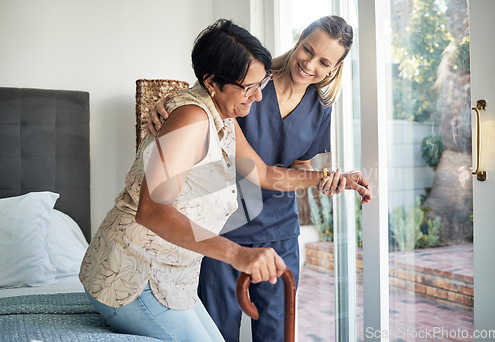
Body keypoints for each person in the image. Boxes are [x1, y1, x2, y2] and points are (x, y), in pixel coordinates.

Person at [79, 19, 352, 342]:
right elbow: (152, 210)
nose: (258, 97)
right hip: (133, 274)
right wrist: (238, 253)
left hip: (171, 275)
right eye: (249, 88)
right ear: (212, 83)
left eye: (260, 84)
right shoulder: (192, 119)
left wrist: (330, 178)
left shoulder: (222, 119)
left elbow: (263, 174)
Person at [148, 16, 371, 342]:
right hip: (223, 228)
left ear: (334, 69)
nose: (309, 64)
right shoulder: (252, 82)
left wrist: (326, 180)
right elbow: (205, 95)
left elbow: (297, 172)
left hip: (278, 232)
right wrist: (165, 103)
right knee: (216, 333)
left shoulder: (321, 109)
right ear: (299, 40)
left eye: (324, 62)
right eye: (307, 50)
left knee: (278, 334)